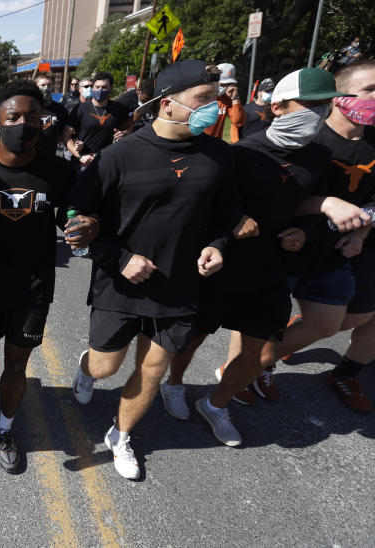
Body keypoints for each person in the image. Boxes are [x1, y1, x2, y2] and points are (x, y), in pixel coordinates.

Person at [69, 61, 240, 480]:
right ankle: (87, 367)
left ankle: (120, 434)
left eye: (217, 99)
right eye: (204, 99)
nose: (214, 108)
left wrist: (218, 245)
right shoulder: (119, 155)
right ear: (167, 103)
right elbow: (74, 216)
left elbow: (228, 212)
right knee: (107, 366)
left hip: (179, 289)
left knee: (152, 369)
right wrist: (119, 258)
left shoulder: (219, 156)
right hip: (119, 284)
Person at [163, 67, 353, 445]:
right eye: (311, 105)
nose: (319, 113)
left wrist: (306, 231)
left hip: (272, 272)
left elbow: (311, 209)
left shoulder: (320, 157)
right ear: (278, 107)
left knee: (260, 351)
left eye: (325, 105)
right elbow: (208, 204)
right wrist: (235, 221)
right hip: (223, 266)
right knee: (193, 337)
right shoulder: (241, 151)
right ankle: (174, 384)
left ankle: (216, 404)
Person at [0, 80, 93, 473]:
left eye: (32, 117)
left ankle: (5, 427)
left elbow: (76, 211)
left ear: (44, 123)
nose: (24, 124)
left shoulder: (59, 172)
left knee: (16, 364)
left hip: (33, 288)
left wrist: (83, 223)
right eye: (14, 117)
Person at [256, 62, 375, 412]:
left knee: (330, 323)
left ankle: (258, 362)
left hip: (337, 252)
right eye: (370, 89)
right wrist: (324, 205)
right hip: (286, 247)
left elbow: (370, 201)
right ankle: (250, 369)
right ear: (339, 98)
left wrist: (363, 232)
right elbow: (274, 199)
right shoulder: (307, 139)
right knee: (261, 320)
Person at [65, 72, 132, 172]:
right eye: (97, 87)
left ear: (111, 89)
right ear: (93, 88)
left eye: (104, 87)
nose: (100, 90)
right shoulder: (80, 108)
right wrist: (80, 157)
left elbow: (130, 124)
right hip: (82, 164)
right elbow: (65, 135)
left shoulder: (118, 108)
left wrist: (125, 133)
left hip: (107, 163)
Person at [203, 63, 246, 143]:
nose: (225, 87)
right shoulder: (202, 95)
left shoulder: (226, 99)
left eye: (228, 84)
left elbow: (238, 122)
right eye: (223, 84)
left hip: (214, 145)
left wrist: (235, 98)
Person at [33, 72, 70, 156]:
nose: (46, 88)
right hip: (28, 156)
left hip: (50, 156)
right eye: (43, 85)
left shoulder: (60, 110)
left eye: (49, 85)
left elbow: (65, 134)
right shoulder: (29, 107)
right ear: (36, 87)